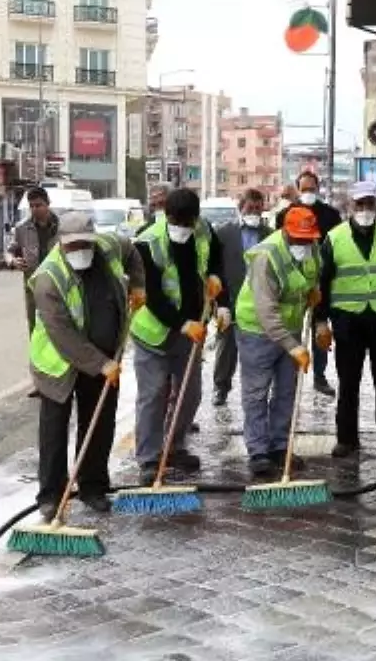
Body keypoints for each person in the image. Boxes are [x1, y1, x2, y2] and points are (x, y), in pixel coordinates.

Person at [28, 213, 146, 520]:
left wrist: (138, 286)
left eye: (85, 244)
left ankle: (93, 486)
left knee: (99, 424)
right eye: (73, 246)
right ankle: (51, 495)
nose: (80, 250)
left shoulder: (108, 246)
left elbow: (133, 252)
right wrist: (99, 363)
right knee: (54, 431)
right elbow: (62, 333)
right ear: (61, 244)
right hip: (59, 363)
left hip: (106, 353)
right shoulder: (48, 278)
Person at [131, 187, 224, 482]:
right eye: (176, 222)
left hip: (191, 331)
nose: (182, 229)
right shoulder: (148, 241)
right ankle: (148, 457)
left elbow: (216, 258)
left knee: (190, 394)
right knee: (154, 394)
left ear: (196, 218)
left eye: (187, 223)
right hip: (153, 332)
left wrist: (216, 279)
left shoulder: (205, 230)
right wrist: (182, 323)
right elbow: (152, 295)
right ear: (166, 215)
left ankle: (174, 446)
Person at [316, 179, 376, 458]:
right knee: (348, 383)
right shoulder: (335, 237)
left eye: (369, 204)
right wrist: (321, 321)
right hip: (348, 323)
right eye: (360, 204)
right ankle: (347, 439)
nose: (365, 209)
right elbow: (323, 282)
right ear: (351, 206)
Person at [235, 205, 323, 476]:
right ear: (286, 231)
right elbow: (266, 311)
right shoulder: (266, 255)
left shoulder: (312, 247)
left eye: (308, 239)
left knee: (287, 391)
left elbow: (312, 275)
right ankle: (259, 450)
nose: (304, 244)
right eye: (299, 238)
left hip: (292, 327)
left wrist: (314, 293)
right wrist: (293, 346)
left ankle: (280, 446)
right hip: (257, 330)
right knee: (257, 392)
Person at [211, 188, 273, 407]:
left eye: (258, 208)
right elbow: (215, 269)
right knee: (226, 349)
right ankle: (221, 387)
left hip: (261, 300)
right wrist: (219, 303)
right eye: (250, 208)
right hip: (230, 298)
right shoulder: (223, 233)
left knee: (260, 351)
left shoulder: (270, 234)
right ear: (241, 207)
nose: (254, 212)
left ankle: (259, 392)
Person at [295, 170, 342, 397]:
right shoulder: (287, 213)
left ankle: (320, 376)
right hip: (294, 282)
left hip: (323, 280)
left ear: (318, 189)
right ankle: (290, 373)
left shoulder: (330, 215)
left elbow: (337, 246)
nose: (308, 193)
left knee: (320, 329)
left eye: (311, 189)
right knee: (292, 329)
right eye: (304, 189)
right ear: (297, 190)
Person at [6, 187, 60, 335]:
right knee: (35, 326)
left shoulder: (62, 226)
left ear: (48, 203)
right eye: (31, 206)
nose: (35, 209)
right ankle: (36, 357)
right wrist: (12, 261)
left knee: (58, 326)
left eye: (38, 205)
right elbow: (9, 251)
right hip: (33, 285)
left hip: (58, 285)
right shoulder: (22, 228)